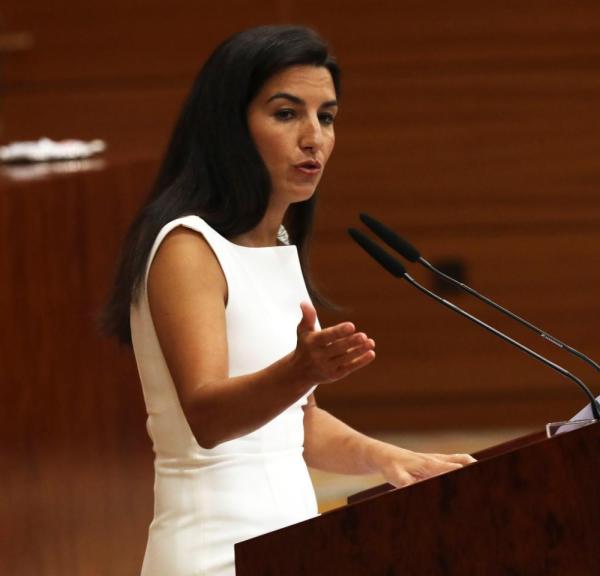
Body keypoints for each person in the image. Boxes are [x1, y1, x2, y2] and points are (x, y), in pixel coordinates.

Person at [101, 25, 474, 575]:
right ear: (230, 126)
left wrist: (390, 458)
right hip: (214, 554)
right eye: (286, 114)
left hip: (288, 543)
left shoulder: (276, 244)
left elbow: (295, 426)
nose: (314, 137)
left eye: (326, 116)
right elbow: (207, 416)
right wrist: (301, 369)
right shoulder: (187, 247)